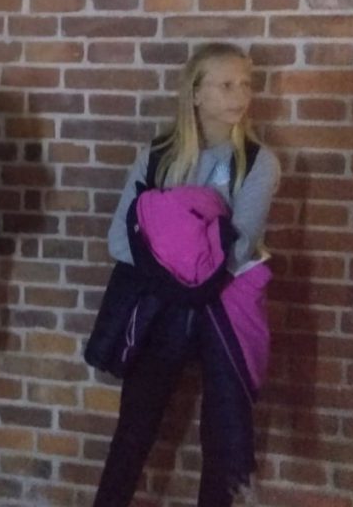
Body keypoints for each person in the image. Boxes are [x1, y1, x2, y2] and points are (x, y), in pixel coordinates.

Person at [92, 42, 280, 507]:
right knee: (133, 432)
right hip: (160, 311)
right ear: (195, 93)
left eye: (246, 84)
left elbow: (237, 250)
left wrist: (165, 235)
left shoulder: (258, 161)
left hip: (222, 313)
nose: (240, 95)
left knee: (221, 441)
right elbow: (119, 241)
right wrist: (196, 248)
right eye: (226, 84)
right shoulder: (157, 155)